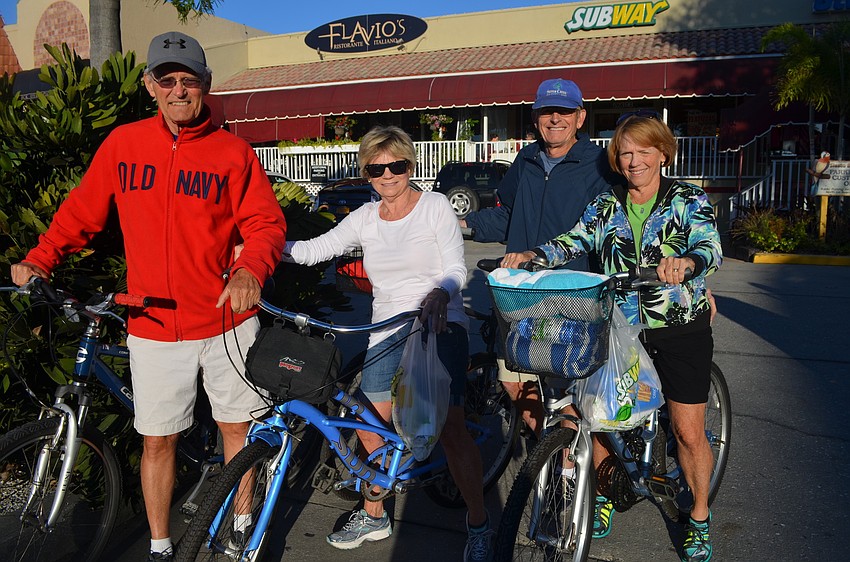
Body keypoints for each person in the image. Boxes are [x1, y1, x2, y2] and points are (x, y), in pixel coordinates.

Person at [10, 31, 286, 562]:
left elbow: (266, 223)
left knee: (237, 428)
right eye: (168, 80)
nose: (179, 90)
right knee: (158, 439)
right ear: (150, 86)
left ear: (205, 86)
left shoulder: (233, 151)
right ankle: (160, 545)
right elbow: (80, 215)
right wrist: (41, 258)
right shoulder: (123, 144)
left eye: (189, 80)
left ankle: (242, 518)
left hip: (227, 318)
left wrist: (251, 268)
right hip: (153, 323)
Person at [503, 111, 722, 562]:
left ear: (662, 153)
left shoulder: (688, 200)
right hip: (620, 325)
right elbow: (575, 240)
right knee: (599, 414)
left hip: (678, 326)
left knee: (687, 431)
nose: (634, 161)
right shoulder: (606, 205)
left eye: (644, 151)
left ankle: (698, 516)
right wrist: (534, 255)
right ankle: (602, 494)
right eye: (625, 153)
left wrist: (688, 264)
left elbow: (708, 245)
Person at [284, 125, 494, 562]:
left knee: (450, 427)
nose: (388, 176)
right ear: (366, 172)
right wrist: (258, 250)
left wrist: (440, 294)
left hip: (439, 320)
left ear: (410, 165)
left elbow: (457, 268)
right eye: (377, 169)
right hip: (386, 327)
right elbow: (313, 250)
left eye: (396, 166)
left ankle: (478, 522)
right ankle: (375, 512)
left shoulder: (434, 207)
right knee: (366, 419)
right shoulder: (365, 217)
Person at [461, 78, 622, 436]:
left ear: (580, 117)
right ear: (535, 118)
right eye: (547, 111)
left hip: (572, 296)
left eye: (564, 111)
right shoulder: (527, 159)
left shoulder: (600, 164)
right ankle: (553, 456)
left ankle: (577, 473)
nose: (555, 119)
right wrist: (460, 222)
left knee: (571, 394)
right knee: (516, 382)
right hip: (520, 293)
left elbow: (619, 228)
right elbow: (507, 216)